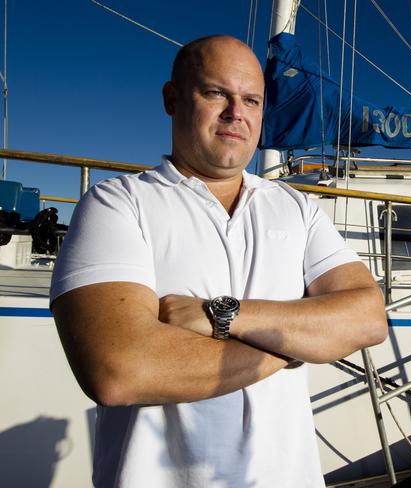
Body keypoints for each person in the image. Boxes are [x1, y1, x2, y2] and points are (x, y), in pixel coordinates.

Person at [50, 35, 387, 488]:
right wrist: (294, 344)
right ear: (172, 99)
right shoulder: (117, 203)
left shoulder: (297, 208)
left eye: (251, 100)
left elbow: (367, 318)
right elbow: (120, 369)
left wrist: (221, 316)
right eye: (216, 93)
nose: (236, 113)